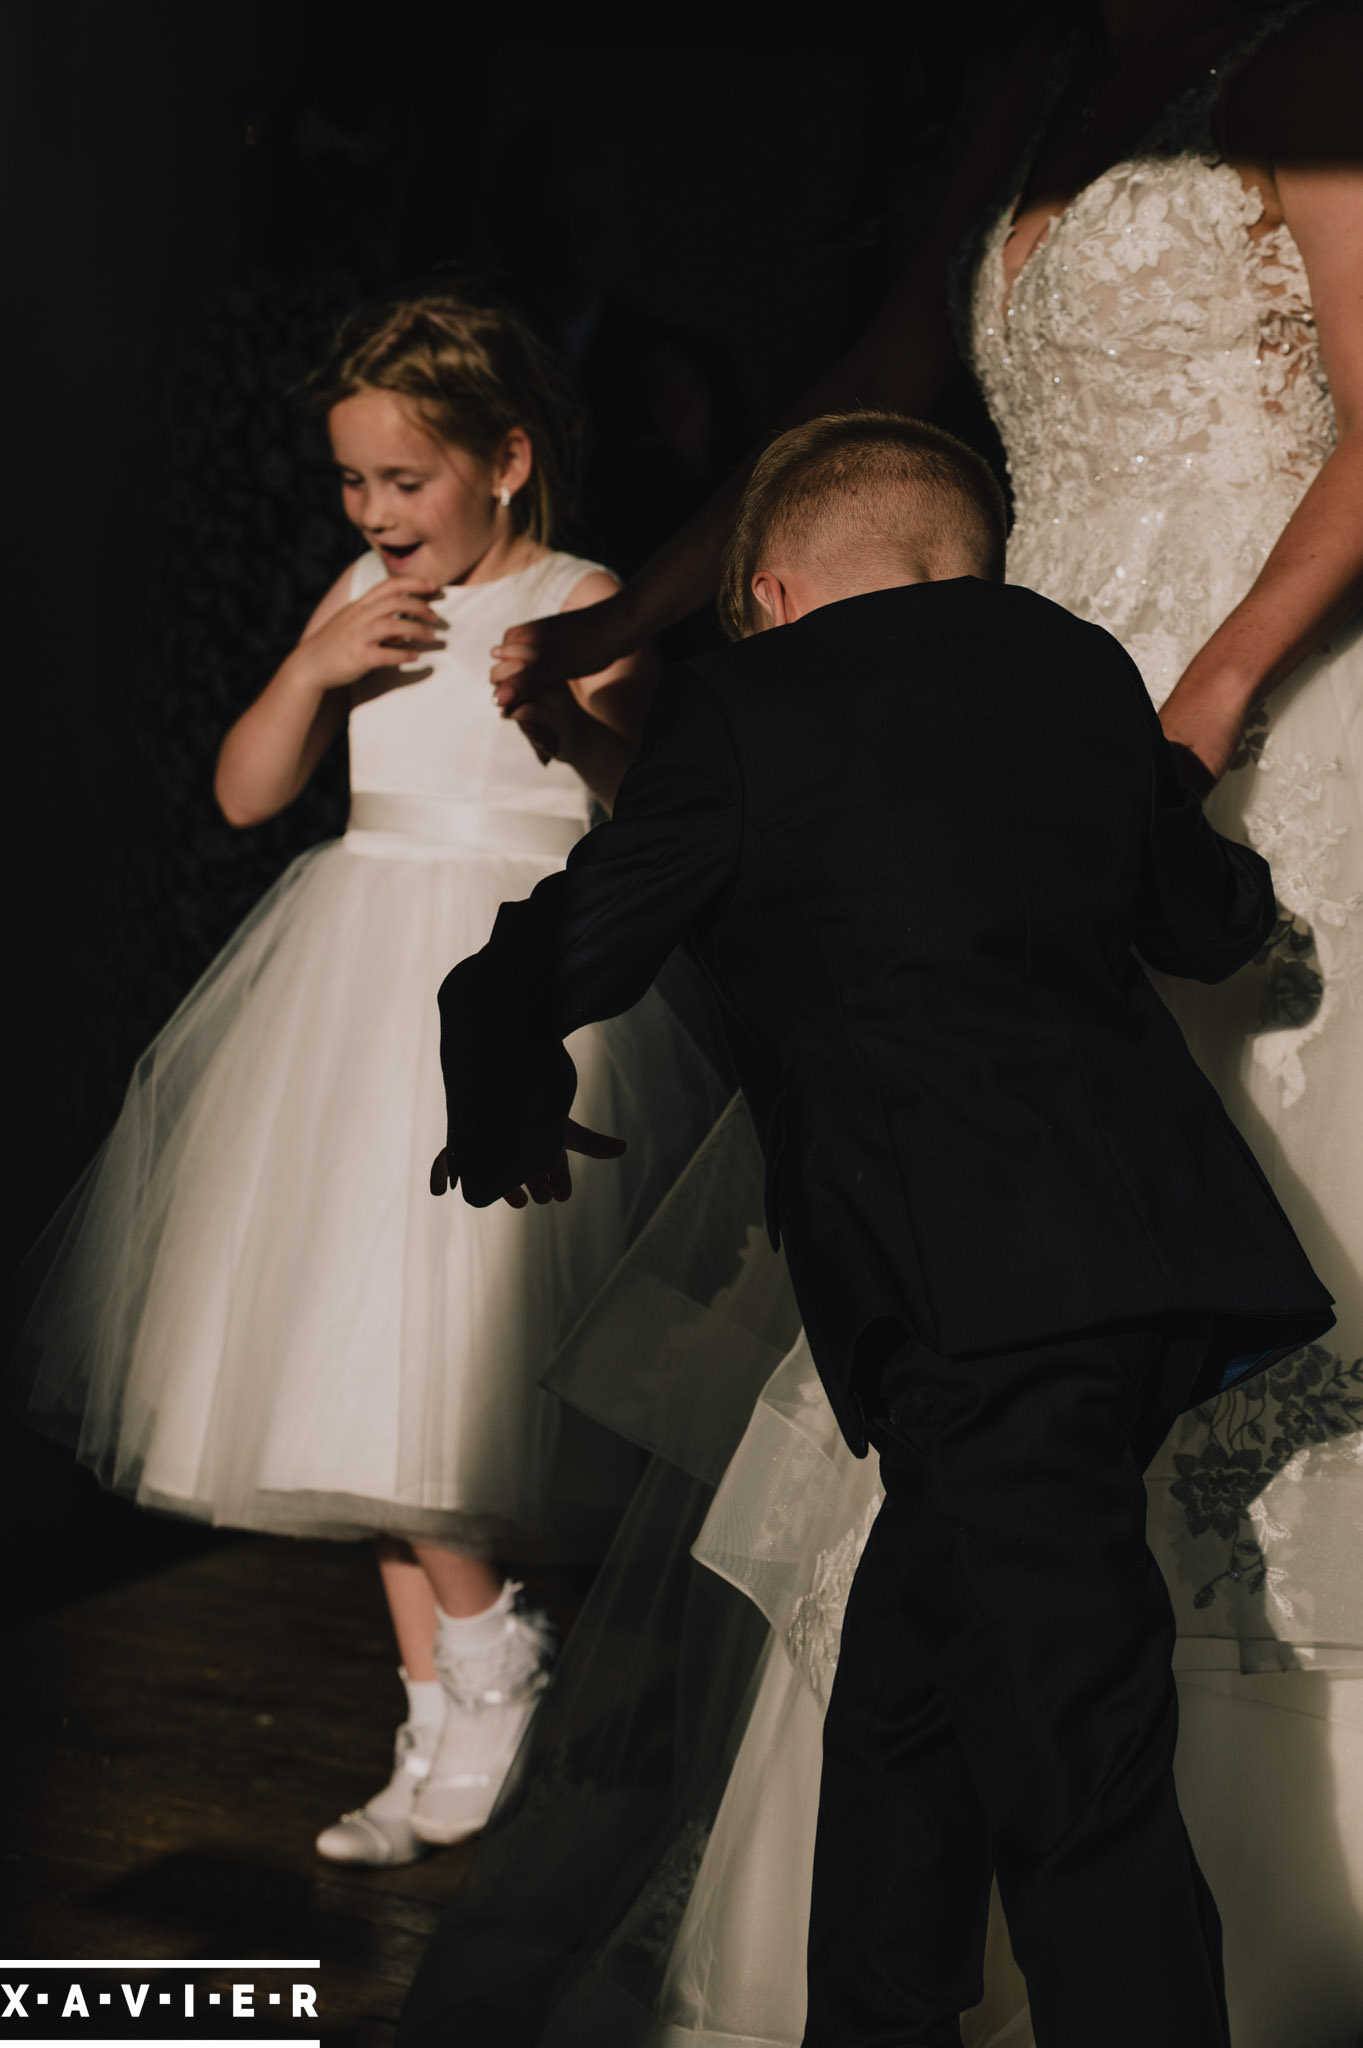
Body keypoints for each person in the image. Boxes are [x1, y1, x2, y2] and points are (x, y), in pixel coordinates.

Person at [437, 8, 1361, 2039]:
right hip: (1021, 720)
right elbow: (871, 392)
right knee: (947, 1583)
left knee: (1042, 1615)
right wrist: (618, 623)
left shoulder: (1305, 60)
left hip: (1223, 690)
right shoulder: (1022, 88)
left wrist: (1197, 714)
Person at [10, 287, 730, 1869]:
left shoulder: (580, 596)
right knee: (353, 1374)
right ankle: (442, 1721)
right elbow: (248, 791)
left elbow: (643, 818)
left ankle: (490, 1665)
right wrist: (317, 667)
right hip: (347, 999)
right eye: (352, 482)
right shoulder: (358, 599)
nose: (374, 513)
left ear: (507, 461)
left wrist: (565, 712)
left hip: (509, 990)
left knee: (433, 1376)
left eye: (404, 482)